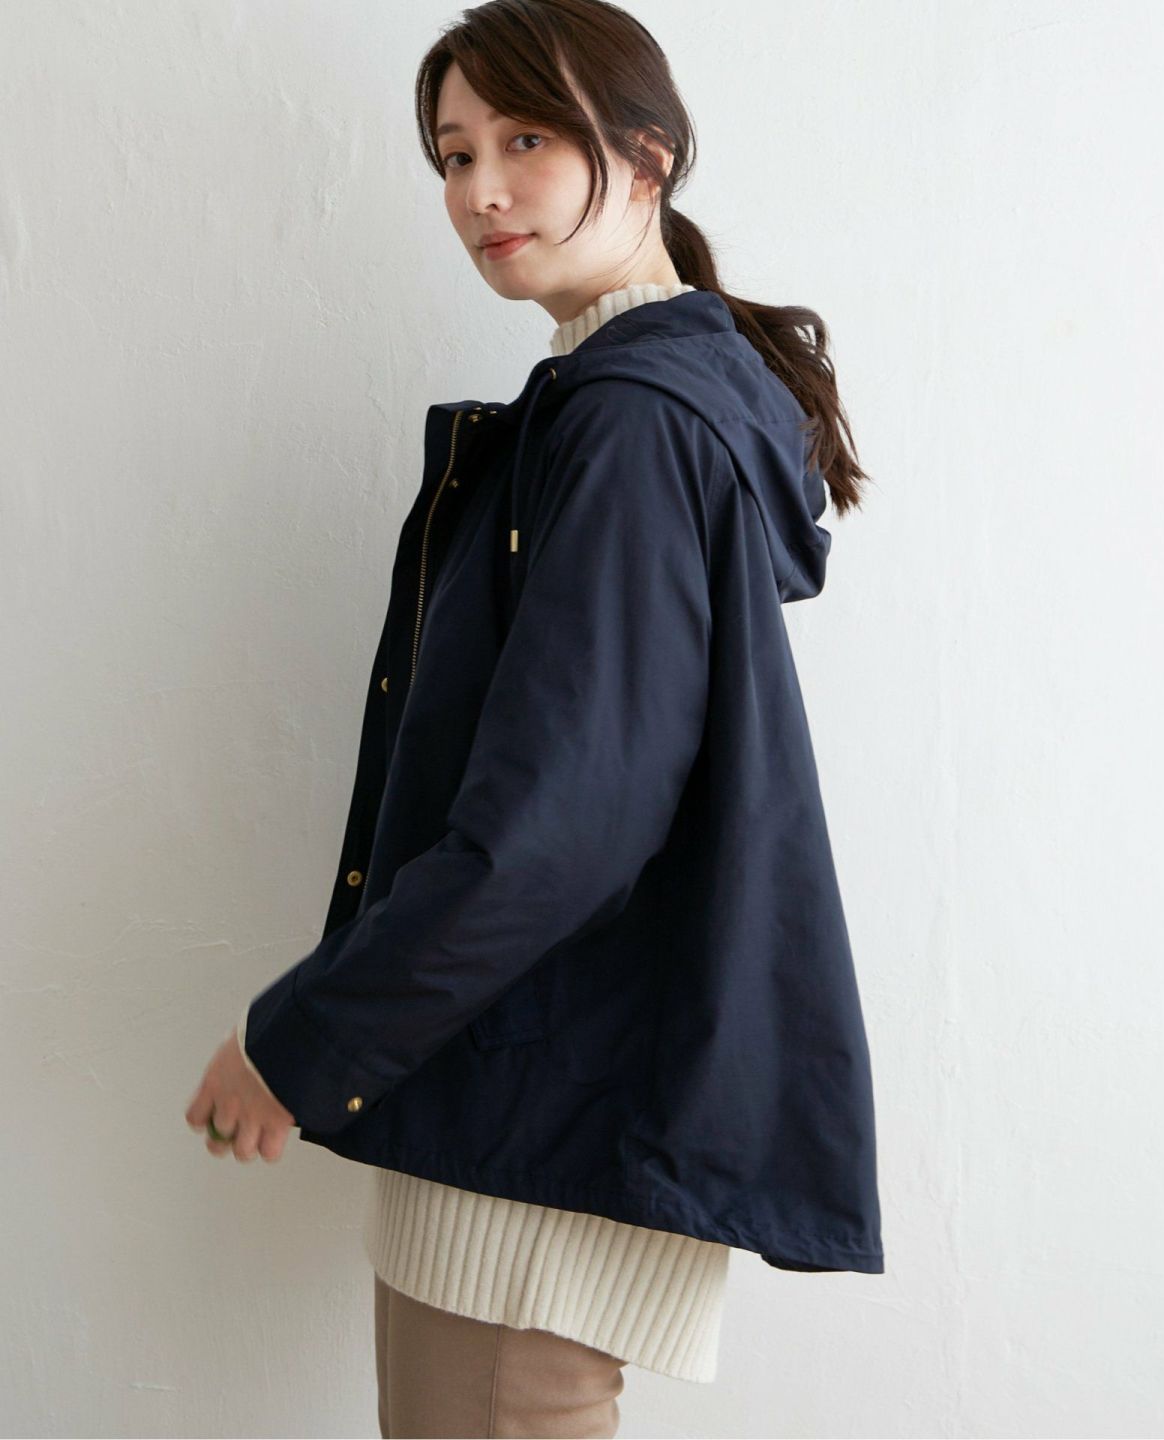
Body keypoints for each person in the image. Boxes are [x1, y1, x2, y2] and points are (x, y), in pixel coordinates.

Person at [184, 1, 884, 1435]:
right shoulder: (615, 407)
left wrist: (299, 1042)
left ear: (647, 157)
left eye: (524, 141)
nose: (480, 191)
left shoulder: (633, 423)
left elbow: (561, 827)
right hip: (535, 1108)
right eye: (453, 155)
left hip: (540, 1123)